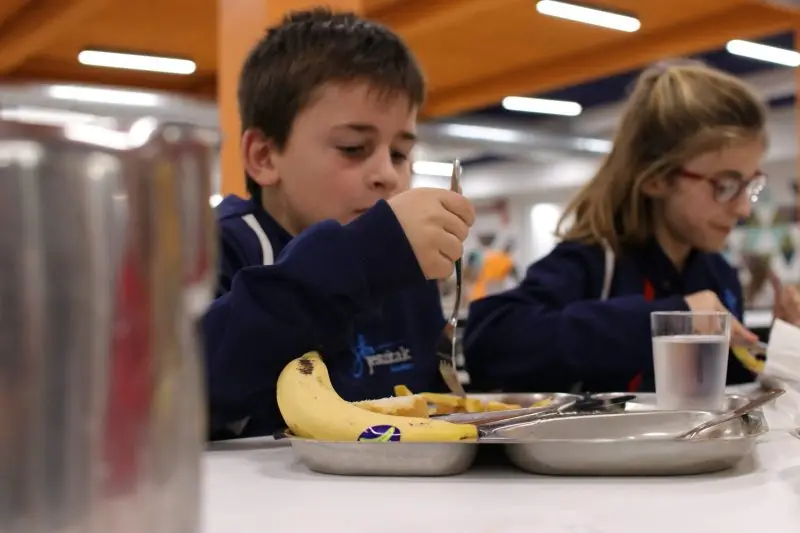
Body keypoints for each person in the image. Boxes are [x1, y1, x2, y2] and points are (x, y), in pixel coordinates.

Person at [203, 8, 475, 440]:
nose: (388, 174)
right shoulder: (218, 247)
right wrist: (360, 258)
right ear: (264, 157)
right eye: (353, 147)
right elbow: (168, 387)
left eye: (400, 154)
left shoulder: (407, 269)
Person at [464, 61, 800, 394]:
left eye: (750, 185)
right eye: (725, 185)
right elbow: (488, 343)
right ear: (656, 178)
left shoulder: (718, 276)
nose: (743, 208)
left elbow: (729, 393)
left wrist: (781, 347)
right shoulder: (594, 263)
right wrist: (671, 320)